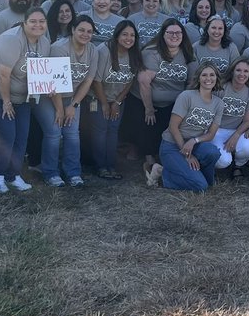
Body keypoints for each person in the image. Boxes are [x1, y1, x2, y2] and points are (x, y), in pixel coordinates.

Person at [0, 7, 50, 193]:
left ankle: (13, 175)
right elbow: (3, 76)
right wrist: (6, 102)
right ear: (24, 23)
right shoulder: (11, 40)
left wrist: (46, 87)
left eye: (41, 21)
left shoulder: (45, 43)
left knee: (21, 136)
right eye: (33, 21)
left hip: (22, 97)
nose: (37, 25)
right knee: (6, 136)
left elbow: (41, 72)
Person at [43, 15, 104, 187]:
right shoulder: (59, 48)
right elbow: (54, 81)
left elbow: (88, 81)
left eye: (89, 32)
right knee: (54, 132)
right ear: (72, 30)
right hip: (50, 96)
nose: (85, 34)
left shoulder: (92, 50)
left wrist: (73, 105)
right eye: (81, 30)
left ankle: (73, 172)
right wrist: (60, 109)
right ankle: (51, 173)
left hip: (72, 96)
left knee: (72, 134)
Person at [152, 64, 224, 191]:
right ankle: (163, 173)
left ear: (217, 78)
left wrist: (194, 140)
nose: (208, 78)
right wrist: (188, 156)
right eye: (204, 75)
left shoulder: (218, 103)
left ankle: (196, 175)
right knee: (200, 186)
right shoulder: (187, 96)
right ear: (198, 78)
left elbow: (211, 134)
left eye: (212, 75)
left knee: (212, 152)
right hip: (172, 145)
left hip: (193, 146)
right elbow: (173, 126)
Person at [137, 18, 194, 176]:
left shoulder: (187, 53)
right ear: (163, 34)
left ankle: (169, 159)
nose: (174, 36)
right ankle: (149, 162)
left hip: (176, 104)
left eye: (178, 33)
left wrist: (185, 107)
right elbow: (144, 81)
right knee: (149, 123)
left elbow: (191, 82)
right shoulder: (152, 52)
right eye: (170, 32)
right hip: (152, 102)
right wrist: (149, 109)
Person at [94, 20, 143, 179]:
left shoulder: (134, 53)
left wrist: (117, 102)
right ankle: (101, 167)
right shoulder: (104, 50)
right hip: (97, 98)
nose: (129, 38)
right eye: (125, 34)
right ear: (117, 35)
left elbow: (130, 80)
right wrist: (104, 104)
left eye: (132, 35)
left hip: (117, 100)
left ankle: (111, 166)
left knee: (113, 130)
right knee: (101, 131)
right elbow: (97, 81)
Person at [212, 57, 249, 176]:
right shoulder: (221, 87)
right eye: (238, 70)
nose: (242, 74)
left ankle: (238, 165)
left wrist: (236, 135)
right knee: (223, 161)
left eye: (246, 71)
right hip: (216, 129)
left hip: (237, 130)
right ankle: (211, 164)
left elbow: (248, 120)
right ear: (232, 71)